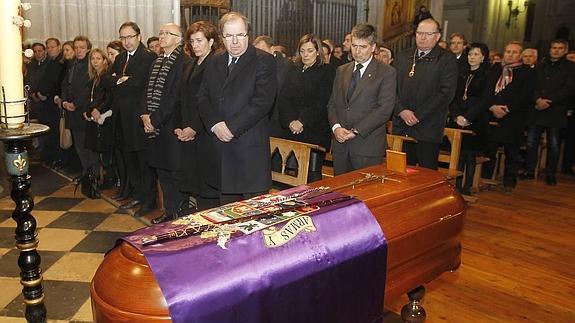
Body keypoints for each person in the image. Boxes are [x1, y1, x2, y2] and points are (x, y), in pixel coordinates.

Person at [198, 11, 277, 205]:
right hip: (220, 150)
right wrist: (215, 124)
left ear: (247, 35)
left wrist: (231, 127)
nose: (235, 41)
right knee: (226, 216)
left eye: (239, 35)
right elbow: (202, 97)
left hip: (248, 149)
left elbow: (262, 101)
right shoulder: (214, 61)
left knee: (254, 215)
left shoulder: (264, 60)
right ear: (221, 38)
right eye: (229, 36)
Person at [327, 24, 396, 175]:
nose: (357, 51)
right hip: (341, 145)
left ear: (373, 47)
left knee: (365, 195)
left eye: (362, 47)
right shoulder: (342, 70)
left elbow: (384, 109)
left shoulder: (386, 73)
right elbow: (333, 103)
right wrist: (336, 127)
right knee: (340, 195)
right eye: (354, 46)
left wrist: (356, 131)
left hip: (367, 147)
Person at [140, 24, 191, 224]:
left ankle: (179, 214)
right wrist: (145, 115)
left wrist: (154, 119)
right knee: (162, 173)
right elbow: (146, 90)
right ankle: (170, 212)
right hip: (154, 125)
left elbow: (174, 97)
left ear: (179, 39)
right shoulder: (157, 61)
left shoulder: (184, 62)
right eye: (160, 33)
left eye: (167, 33)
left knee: (175, 173)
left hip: (171, 126)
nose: (162, 36)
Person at [392, 18, 458, 170]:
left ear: (437, 36)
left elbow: (446, 93)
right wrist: (401, 110)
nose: (422, 37)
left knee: (425, 174)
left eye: (428, 34)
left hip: (428, 126)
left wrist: (418, 115)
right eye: (419, 33)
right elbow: (390, 88)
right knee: (399, 172)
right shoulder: (402, 56)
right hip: (401, 125)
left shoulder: (446, 59)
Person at [109, 21, 158, 217]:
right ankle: (137, 194)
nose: (126, 41)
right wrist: (120, 80)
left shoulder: (148, 56)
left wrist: (119, 80)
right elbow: (107, 80)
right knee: (130, 160)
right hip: (121, 117)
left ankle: (149, 201)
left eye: (130, 37)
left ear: (138, 36)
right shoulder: (120, 58)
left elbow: (139, 84)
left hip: (139, 116)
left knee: (143, 161)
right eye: (123, 37)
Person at [176, 20, 222, 212]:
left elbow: (211, 101)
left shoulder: (216, 63)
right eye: (192, 41)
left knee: (208, 183)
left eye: (199, 40)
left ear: (211, 41)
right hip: (190, 129)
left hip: (205, 131)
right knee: (194, 180)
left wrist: (194, 127)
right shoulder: (191, 64)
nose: (195, 45)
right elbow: (183, 97)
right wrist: (181, 125)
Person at [278, 34, 335, 182]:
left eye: (310, 50)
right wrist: (290, 121)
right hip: (291, 128)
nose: (305, 55)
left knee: (311, 176)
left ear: (318, 51)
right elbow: (283, 98)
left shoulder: (326, 71)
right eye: (302, 51)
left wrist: (302, 121)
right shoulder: (293, 69)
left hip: (314, 129)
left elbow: (322, 102)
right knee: (288, 175)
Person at [482, 41, 536, 193]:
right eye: (508, 51)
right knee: (489, 149)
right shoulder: (495, 69)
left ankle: (509, 182)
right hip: (492, 113)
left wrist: (508, 108)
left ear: (520, 55)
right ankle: (486, 178)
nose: (510, 55)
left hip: (514, 116)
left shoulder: (528, 72)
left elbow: (526, 95)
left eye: (514, 52)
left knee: (511, 151)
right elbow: (487, 91)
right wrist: (492, 106)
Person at [522, 39, 575, 185]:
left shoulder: (570, 67)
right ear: (550, 49)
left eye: (560, 48)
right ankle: (529, 170)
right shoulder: (540, 66)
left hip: (555, 110)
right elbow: (532, 85)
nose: (556, 50)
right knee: (531, 142)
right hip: (537, 108)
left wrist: (549, 101)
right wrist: (538, 99)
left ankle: (550, 173)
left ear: (565, 50)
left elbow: (569, 88)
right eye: (554, 48)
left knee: (554, 144)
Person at [448, 42, 494, 195]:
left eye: (476, 54)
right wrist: (456, 115)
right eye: (470, 54)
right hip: (458, 118)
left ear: (483, 57)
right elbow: (453, 96)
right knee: (458, 154)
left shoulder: (488, 74)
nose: (472, 57)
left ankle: (467, 188)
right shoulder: (462, 72)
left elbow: (485, 99)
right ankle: (456, 188)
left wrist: (467, 117)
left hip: (476, 119)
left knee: (470, 155)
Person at [61, 36, 100, 198]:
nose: (78, 50)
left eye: (82, 47)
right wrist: (64, 102)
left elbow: (88, 89)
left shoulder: (89, 66)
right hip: (71, 112)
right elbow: (64, 85)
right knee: (79, 148)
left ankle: (93, 181)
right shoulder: (71, 64)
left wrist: (75, 104)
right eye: (76, 47)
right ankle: (87, 177)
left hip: (83, 112)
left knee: (88, 149)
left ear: (88, 48)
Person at [84, 48, 115, 191]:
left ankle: (111, 179)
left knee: (106, 151)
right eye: (92, 59)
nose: (95, 62)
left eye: (98, 58)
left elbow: (107, 98)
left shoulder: (105, 76)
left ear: (104, 60)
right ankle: (103, 178)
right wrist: (88, 110)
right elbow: (92, 99)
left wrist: (97, 109)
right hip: (94, 116)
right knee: (98, 150)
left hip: (105, 117)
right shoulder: (93, 78)